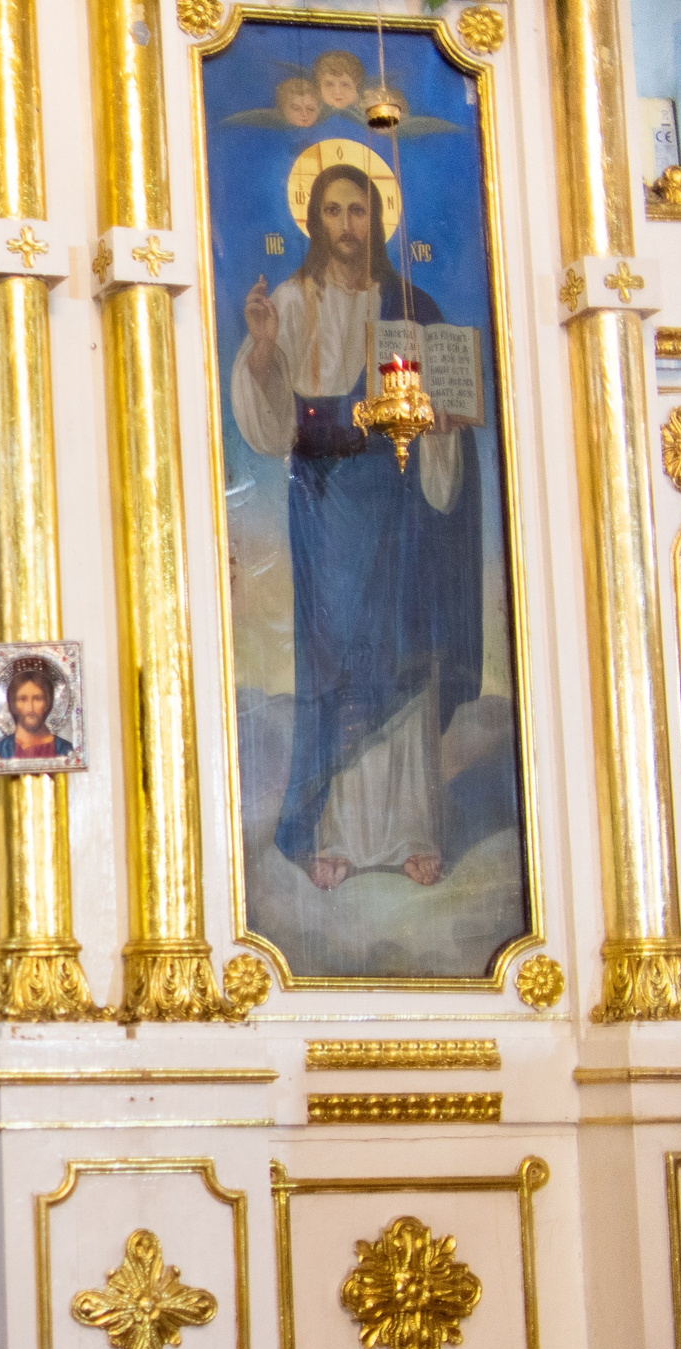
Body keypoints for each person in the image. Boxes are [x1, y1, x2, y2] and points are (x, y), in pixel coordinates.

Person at [232, 163, 477, 891]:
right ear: (314, 219)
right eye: (334, 211)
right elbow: (272, 426)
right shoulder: (289, 302)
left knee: (404, 646)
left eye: (359, 211)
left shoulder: (413, 305)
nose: (347, 225)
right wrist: (265, 349)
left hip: (400, 503)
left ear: (378, 220)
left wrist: (443, 422)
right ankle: (330, 830)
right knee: (336, 657)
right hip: (328, 503)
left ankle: (411, 829)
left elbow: (447, 401)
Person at [0, 655, 73, 763]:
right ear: (13, 704)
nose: (30, 708)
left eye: (37, 699)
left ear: (47, 702)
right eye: (23, 699)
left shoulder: (64, 750)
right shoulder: (1, 752)